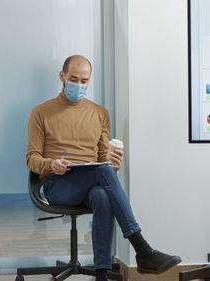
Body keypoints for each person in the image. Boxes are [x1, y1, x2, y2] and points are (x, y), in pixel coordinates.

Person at [26, 55, 181, 281]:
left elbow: (102, 160)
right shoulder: (40, 112)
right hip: (57, 183)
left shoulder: (100, 113)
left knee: (101, 194)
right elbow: (31, 158)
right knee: (103, 174)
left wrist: (113, 165)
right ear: (62, 76)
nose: (78, 85)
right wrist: (51, 164)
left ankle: (101, 274)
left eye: (84, 80)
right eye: (73, 79)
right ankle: (143, 249)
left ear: (89, 81)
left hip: (92, 181)